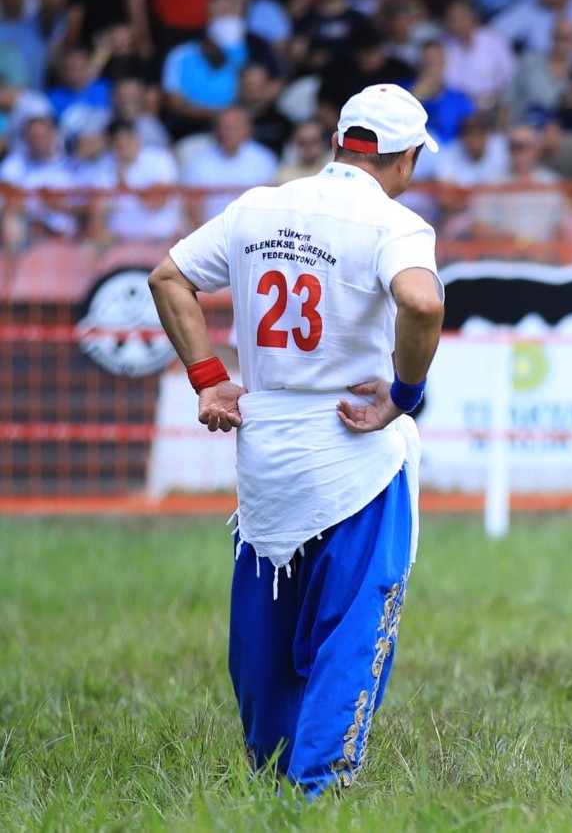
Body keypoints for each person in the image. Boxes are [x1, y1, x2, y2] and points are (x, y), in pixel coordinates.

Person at [147, 84, 445, 796]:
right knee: (351, 628)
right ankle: (318, 787)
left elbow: (168, 277)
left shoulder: (258, 206)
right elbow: (423, 300)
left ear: (342, 142)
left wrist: (210, 379)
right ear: (403, 160)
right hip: (354, 449)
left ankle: (271, 774)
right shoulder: (394, 221)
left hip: (268, 441)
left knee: (264, 634)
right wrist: (405, 396)